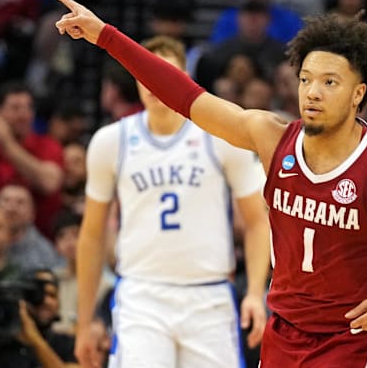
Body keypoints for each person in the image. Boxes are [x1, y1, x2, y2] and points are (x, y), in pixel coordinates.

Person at [54, 0, 367, 367]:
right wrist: (105, 36)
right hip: (284, 329)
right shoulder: (270, 137)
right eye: (306, 79)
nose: (313, 92)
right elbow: (184, 95)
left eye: (329, 82)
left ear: (359, 93)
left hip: (354, 335)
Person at [72, 35, 271, 368]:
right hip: (141, 295)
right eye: (145, 74)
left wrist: (253, 291)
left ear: (183, 80)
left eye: (165, 73)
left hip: (208, 296)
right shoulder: (111, 141)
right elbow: (91, 236)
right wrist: (83, 323)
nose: (154, 83)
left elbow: (256, 221)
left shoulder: (220, 138)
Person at [0, 81, 64, 238]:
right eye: (15, 108)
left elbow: (49, 183)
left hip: (42, 243)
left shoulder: (48, 145)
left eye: (28, 108)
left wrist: (7, 142)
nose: (24, 115)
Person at [0, 269, 79, 368]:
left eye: (52, 295)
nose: (46, 301)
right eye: (37, 296)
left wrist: (35, 340)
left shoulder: (67, 345)